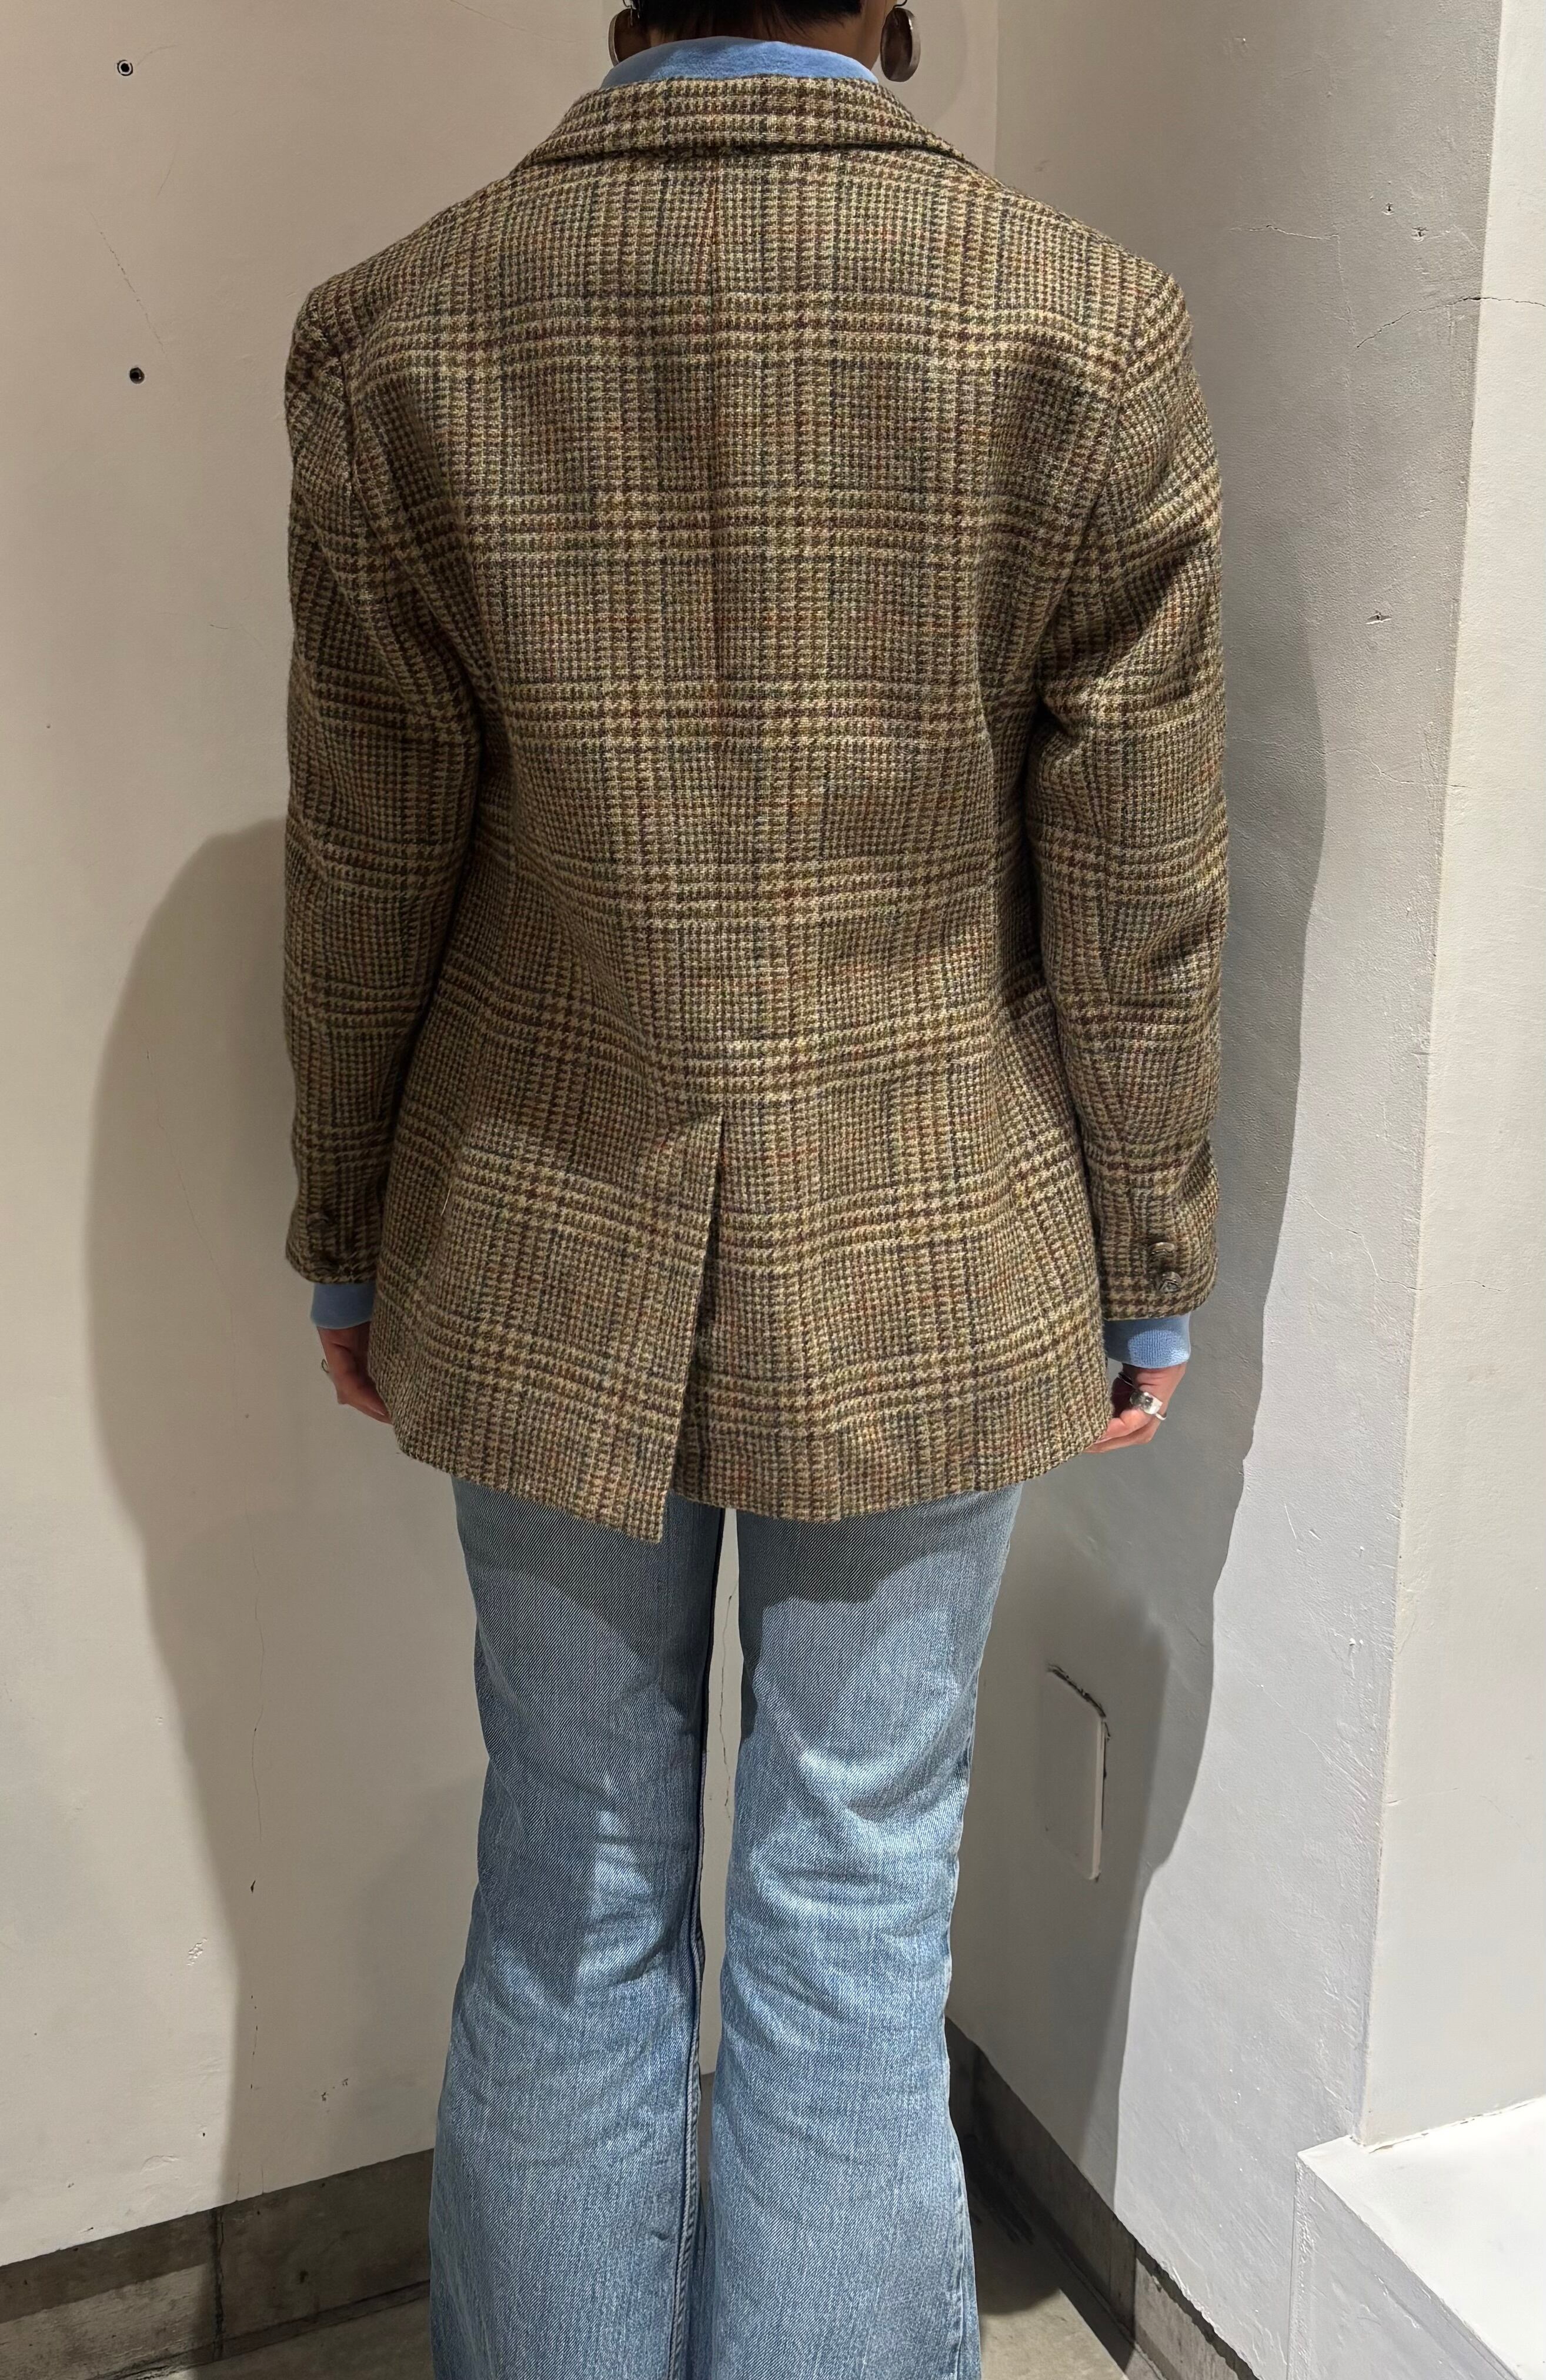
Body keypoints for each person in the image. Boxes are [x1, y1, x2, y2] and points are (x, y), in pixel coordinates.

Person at [279, 1, 1226, 2371]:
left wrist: (348, 1221)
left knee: (568, 1890)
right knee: (851, 1917)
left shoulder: (404, 328)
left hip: (531, 1230)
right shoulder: (1077, 322)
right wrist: (1146, 1258)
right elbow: (1135, 880)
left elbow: (367, 858)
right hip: (933, 1243)